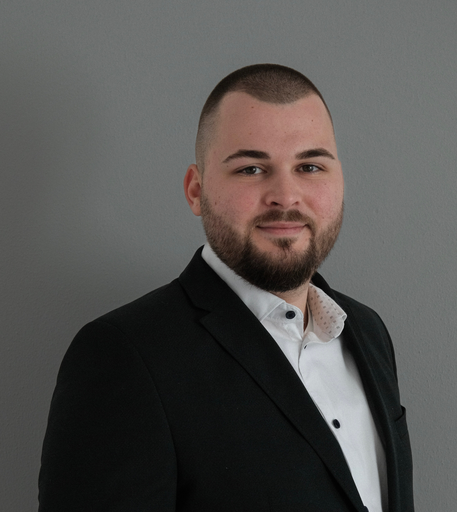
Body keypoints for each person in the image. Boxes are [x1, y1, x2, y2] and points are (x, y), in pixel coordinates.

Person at [39, 64, 414, 512]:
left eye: (310, 166)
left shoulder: (368, 333)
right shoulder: (125, 355)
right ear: (196, 191)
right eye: (251, 168)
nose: (286, 195)